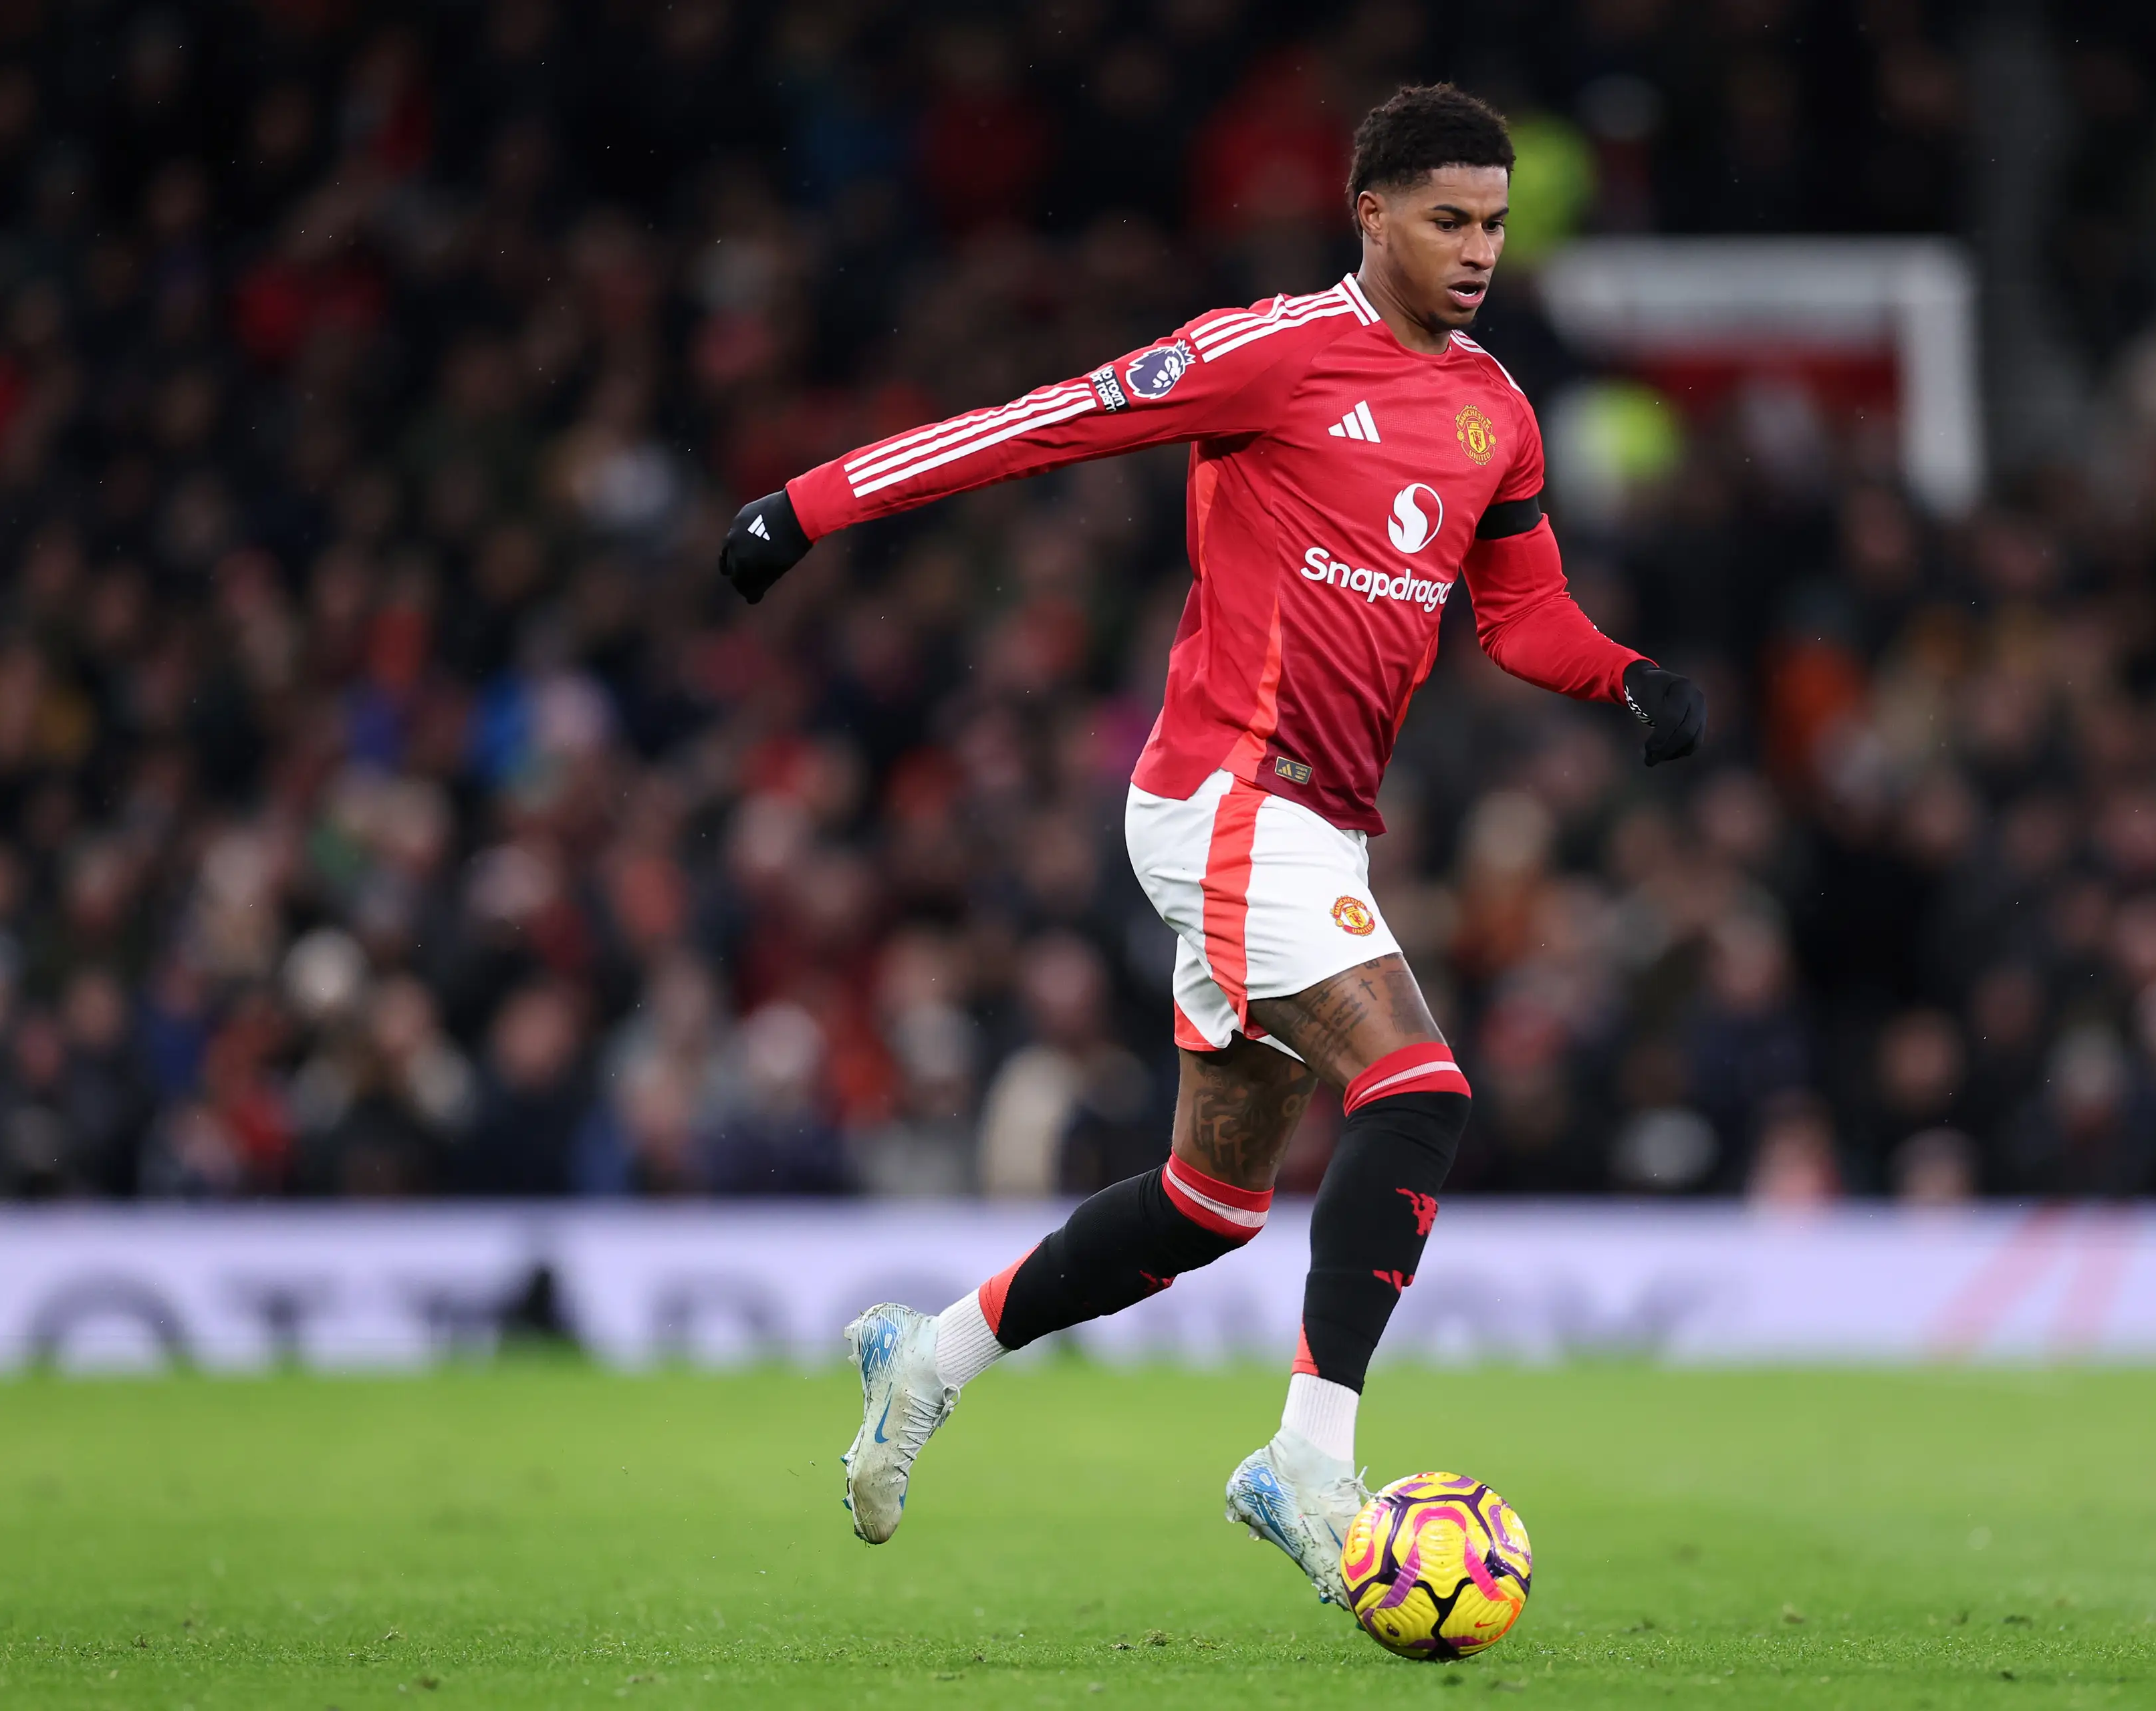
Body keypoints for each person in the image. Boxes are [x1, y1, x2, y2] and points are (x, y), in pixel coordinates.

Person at [716, 84, 1705, 1607]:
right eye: (1449, 218)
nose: (1479, 249)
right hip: (1229, 797)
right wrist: (810, 503)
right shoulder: (1265, 353)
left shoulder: (1493, 410)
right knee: (1420, 1089)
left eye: (1496, 223)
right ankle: (1308, 1461)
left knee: (1209, 1202)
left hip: (1321, 828)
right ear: (1367, 212)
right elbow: (1042, 424)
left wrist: (1624, 673)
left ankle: (928, 1352)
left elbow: (1519, 611)